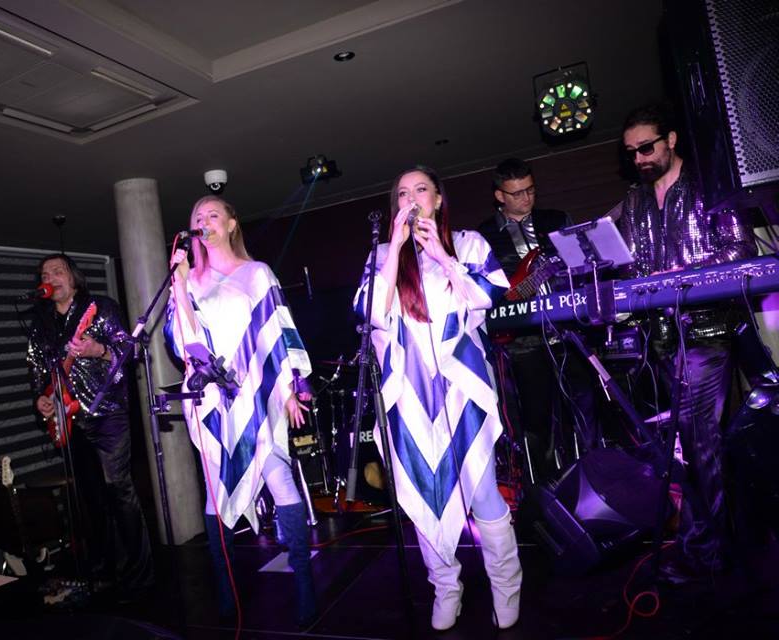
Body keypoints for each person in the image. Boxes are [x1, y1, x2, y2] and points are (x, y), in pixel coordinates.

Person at [354, 166, 522, 630]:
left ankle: (506, 586)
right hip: (408, 394)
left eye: (420, 190)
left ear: (438, 199)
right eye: (402, 193)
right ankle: (445, 587)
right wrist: (394, 249)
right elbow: (369, 312)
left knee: (482, 491)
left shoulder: (468, 244)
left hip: (463, 389)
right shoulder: (381, 255)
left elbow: (490, 295)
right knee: (422, 494)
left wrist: (443, 257)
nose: (411, 199)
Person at [617, 104, 756, 582]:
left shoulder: (707, 186)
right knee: (685, 447)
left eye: (646, 147)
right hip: (661, 338)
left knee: (701, 443)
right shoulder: (635, 202)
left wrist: (678, 275)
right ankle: (708, 545)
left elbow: (740, 249)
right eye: (631, 152)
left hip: (706, 332)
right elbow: (634, 268)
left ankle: (710, 552)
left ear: (671, 139)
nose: (639, 158)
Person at [164, 195, 316, 626]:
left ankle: (304, 583)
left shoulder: (256, 273)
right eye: (197, 216)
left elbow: (279, 332)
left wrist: (290, 389)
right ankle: (225, 589)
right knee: (217, 489)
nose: (204, 221)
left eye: (213, 214)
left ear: (231, 224)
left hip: (257, 393)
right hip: (212, 400)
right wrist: (179, 287)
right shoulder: (188, 280)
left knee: (279, 477)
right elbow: (184, 344)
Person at [26, 253, 153, 598]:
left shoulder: (100, 308)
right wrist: (40, 398)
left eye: (58, 271)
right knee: (90, 498)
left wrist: (100, 350)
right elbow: (37, 369)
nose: (50, 278)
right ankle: (104, 569)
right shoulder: (41, 324)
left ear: (74, 277)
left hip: (108, 412)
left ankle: (139, 576)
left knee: (118, 489)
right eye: (45, 274)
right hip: (69, 419)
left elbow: (131, 351)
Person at [477, 159, 600, 478]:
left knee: (584, 407)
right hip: (522, 339)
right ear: (500, 196)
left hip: (567, 330)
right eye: (517, 193)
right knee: (537, 417)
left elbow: (581, 264)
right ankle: (545, 485)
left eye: (530, 190)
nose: (526, 198)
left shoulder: (555, 220)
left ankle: (593, 474)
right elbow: (481, 289)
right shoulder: (484, 235)